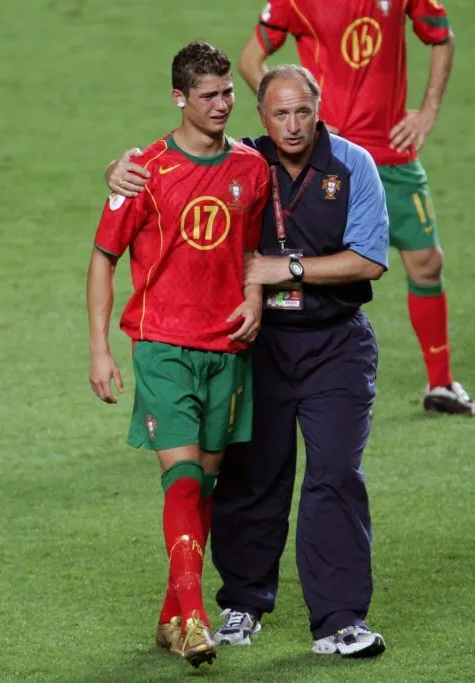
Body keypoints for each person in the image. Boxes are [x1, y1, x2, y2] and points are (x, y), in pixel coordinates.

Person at [107, 63, 390, 657]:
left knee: (335, 476)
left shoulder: (354, 166)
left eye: (303, 112)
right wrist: (119, 172)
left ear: (319, 109)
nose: (292, 125)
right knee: (252, 478)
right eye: (279, 113)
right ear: (260, 117)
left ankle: (339, 619)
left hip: (336, 344)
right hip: (256, 344)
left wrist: (281, 269)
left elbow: (368, 260)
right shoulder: (245, 162)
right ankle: (242, 603)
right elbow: (172, 164)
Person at [86, 41, 269, 668]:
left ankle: (170, 615)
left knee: (206, 485)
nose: (222, 104)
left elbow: (249, 252)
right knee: (183, 477)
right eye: (209, 95)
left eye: (227, 93)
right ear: (179, 98)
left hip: (228, 349)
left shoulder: (251, 167)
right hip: (163, 347)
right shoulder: (142, 172)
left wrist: (255, 299)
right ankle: (194, 620)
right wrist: (99, 350)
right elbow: (102, 259)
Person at [237, 0, 475, 416]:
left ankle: (440, 383)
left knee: (426, 262)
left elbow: (442, 38)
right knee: (295, 266)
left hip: (391, 154)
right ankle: (274, 386)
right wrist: (300, 120)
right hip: (330, 159)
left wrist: (427, 113)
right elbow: (249, 60)